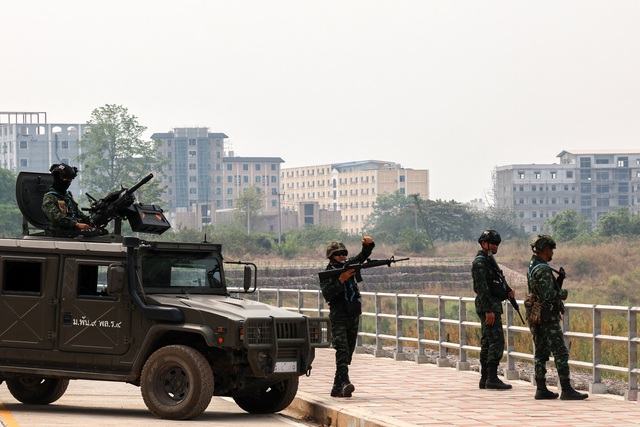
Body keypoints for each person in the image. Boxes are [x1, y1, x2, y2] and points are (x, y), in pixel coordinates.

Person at [527, 234, 588, 400]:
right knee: (560, 352)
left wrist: (558, 280)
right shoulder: (543, 269)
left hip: (537, 315)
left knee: (540, 352)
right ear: (545, 249)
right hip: (547, 317)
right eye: (551, 249)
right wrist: (563, 293)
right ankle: (567, 389)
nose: (552, 253)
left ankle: (541, 388)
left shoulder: (533, 266)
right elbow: (548, 295)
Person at [320, 236, 375, 398]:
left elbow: (362, 257)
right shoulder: (327, 274)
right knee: (342, 348)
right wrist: (341, 280)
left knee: (349, 349)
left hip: (353, 313)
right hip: (339, 315)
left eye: (344, 253)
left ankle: (337, 386)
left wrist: (367, 246)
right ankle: (344, 381)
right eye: (338, 254)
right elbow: (327, 294)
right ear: (330, 256)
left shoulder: (349, 265)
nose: (342, 256)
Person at [472, 229, 513, 390]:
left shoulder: (489, 260)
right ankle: (492, 378)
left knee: (488, 341)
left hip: (492, 305)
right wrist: (489, 309)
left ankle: (485, 378)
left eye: (497, 244)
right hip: (488, 307)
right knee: (496, 341)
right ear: (483, 243)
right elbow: (481, 288)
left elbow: (495, 282)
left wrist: (506, 291)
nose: (495, 246)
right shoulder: (481, 262)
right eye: (492, 243)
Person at [41, 163, 95, 236]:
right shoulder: (49, 198)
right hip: (57, 236)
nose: (69, 184)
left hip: (71, 234)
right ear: (58, 179)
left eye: (70, 181)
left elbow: (77, 213)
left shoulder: (67, 196)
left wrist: (90, 221)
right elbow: (57, 218)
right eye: (67, 181)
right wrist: (76, 224)